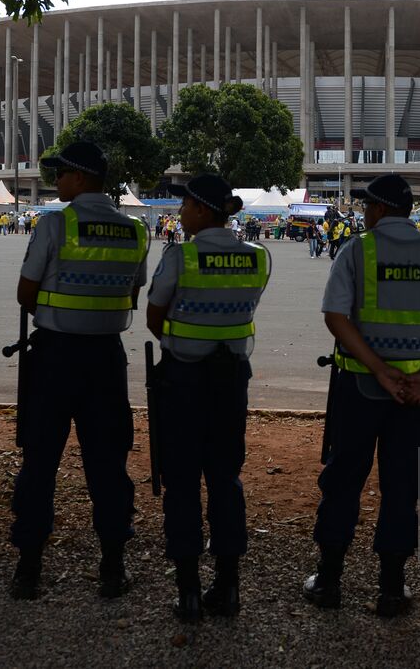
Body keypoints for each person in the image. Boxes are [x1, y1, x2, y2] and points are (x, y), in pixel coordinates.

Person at [303, 174, 420, 618]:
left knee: (344, 478)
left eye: (365, 207)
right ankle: (392, 588)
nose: (363, 214)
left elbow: (336, 316)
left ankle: (329, 581)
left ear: (376, 209)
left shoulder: (357, 250)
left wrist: (378, 369)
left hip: (360, 386)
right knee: (401, 484)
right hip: (418, 394)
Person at [9, 142, 150, 601]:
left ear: (83, 178)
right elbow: (133, 293)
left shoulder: (56, 224)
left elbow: (25, 293)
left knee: (40, 462)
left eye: (63, 173)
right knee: (108, 464)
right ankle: (113, 566)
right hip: (107, 360)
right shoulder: (135, 230)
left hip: (55, 357)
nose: (57, 180)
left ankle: (29, 568)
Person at [146, 174, 271, 621]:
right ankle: (229, 586)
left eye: (185, 206)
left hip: (183, 379)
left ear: (201, 209)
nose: (180, 213)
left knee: (181, 482)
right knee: (225, 479)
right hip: (231, 379)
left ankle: (188, 591)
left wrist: (184, 344)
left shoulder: (182, 256)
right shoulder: (259, 257)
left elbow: (154, 316)